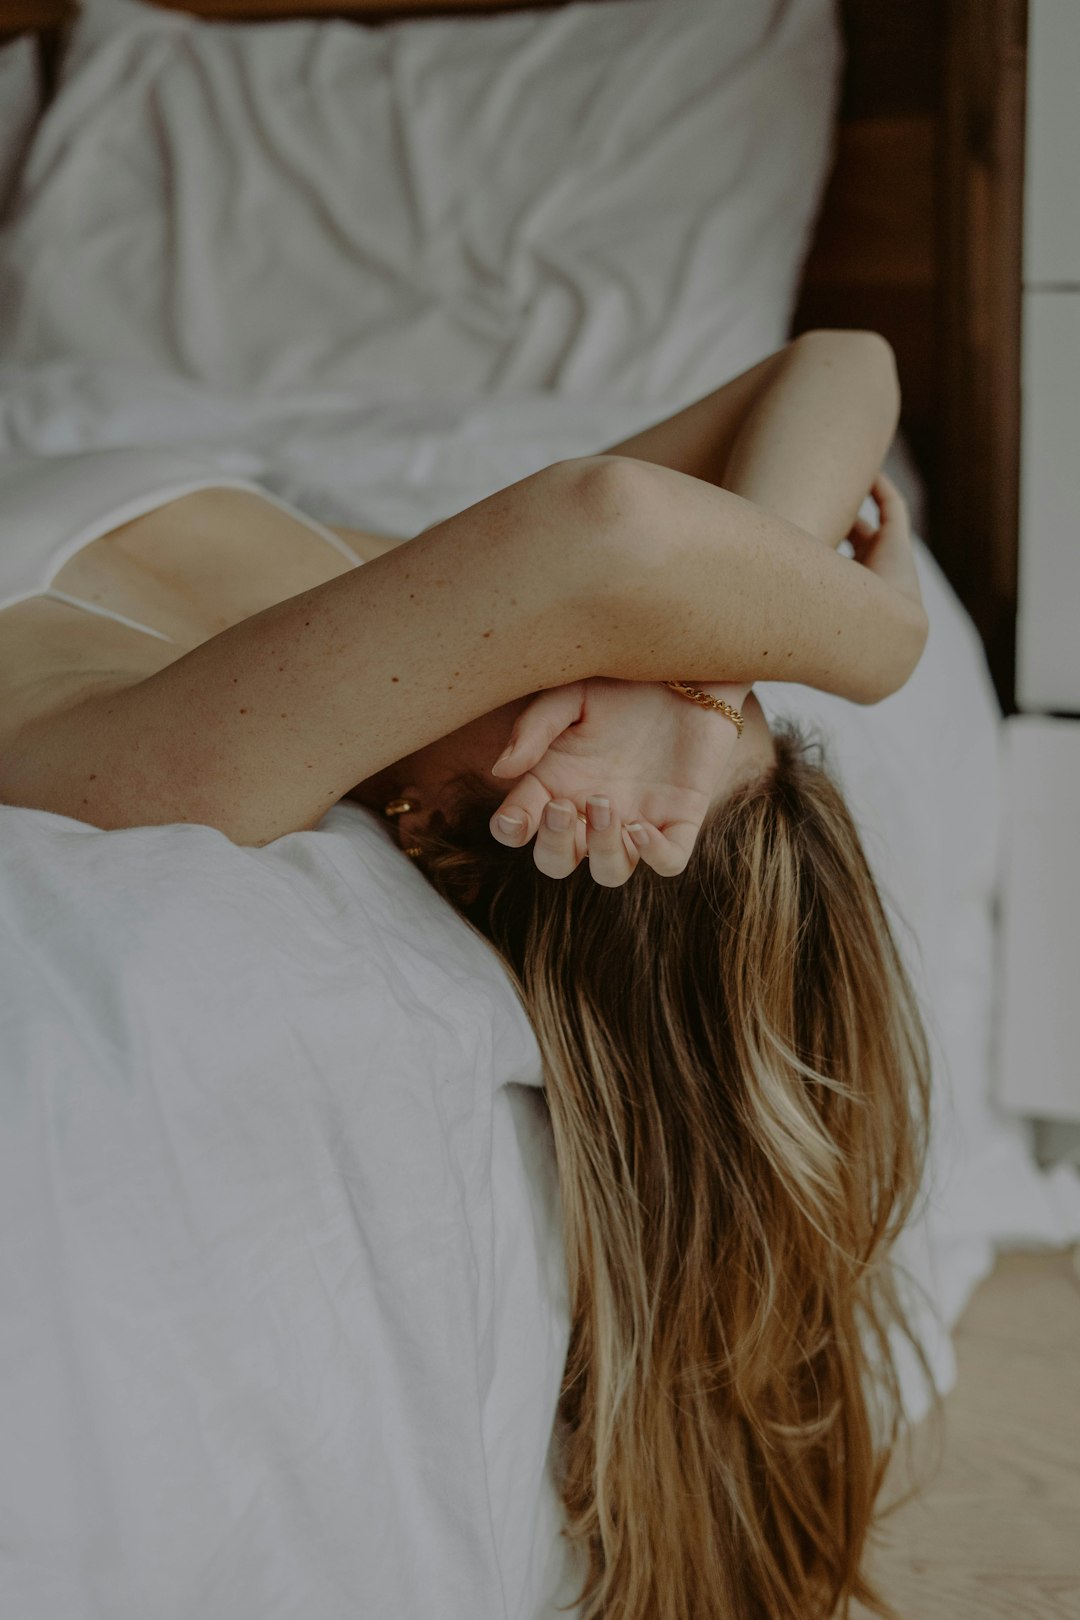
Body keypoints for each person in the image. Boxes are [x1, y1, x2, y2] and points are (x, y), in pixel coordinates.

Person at [0, 329, 936, 1619]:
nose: (631, 654)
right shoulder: (464, 655)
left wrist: (879, 639)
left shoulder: (194, 764)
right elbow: (838, 364)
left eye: (603, 704)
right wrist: (708, 676)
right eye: (698, 685)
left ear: (468, 830)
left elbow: (613, 527)